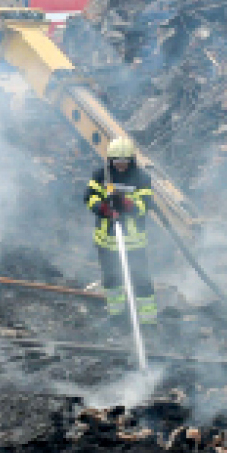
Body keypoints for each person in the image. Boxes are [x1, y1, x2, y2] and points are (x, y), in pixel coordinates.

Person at [85, 137, 157, 328]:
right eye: (117, 161)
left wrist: (126, 204)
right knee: (111, 280)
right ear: (110, 160)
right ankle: (117, 317)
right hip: (106, 241)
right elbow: (89, 197)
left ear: (131, 159)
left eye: (125, 161)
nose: (121, 165)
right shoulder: (101, 175)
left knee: (141, 281)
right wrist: (103, 208)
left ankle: (148, 322)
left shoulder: (141, 178)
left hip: (133, 243)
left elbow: (145, 205)